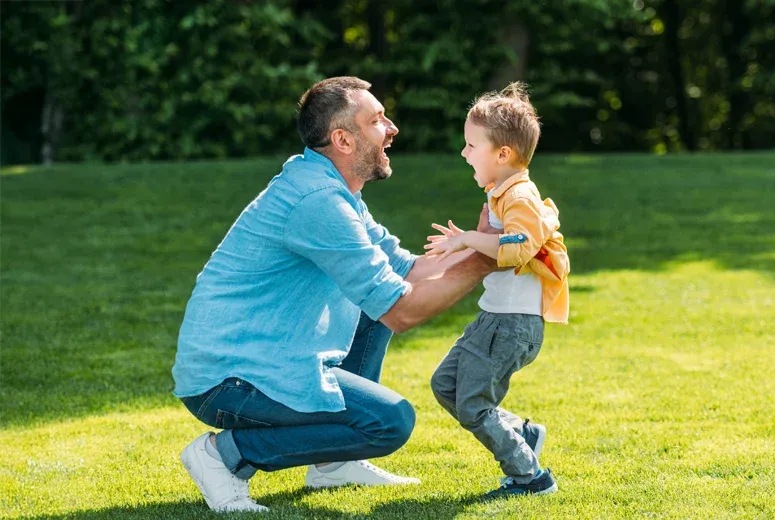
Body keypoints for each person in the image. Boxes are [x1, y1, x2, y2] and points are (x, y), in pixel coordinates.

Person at [171, 76, 500, 512]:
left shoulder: (334, 190)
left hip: (264, 357)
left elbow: (407, 270)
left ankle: (333, 464)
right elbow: (402, 312)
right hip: (228, 380)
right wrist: (487, 262)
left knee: (372, 305)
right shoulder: (318, 200)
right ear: (343, 139)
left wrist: (483, 241)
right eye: (378, 120)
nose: (392, 127)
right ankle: (225, 455)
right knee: (389, 422)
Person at [425, 81, 570, 498]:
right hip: (496, 317)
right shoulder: (502, 193)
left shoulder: (520, 195)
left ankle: (530, 476)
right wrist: (468, 238)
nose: (464, 153)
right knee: (446, 385)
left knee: (471, 404)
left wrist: (470, 238)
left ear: (502, 154)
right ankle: (522, 432)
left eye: (472, 145)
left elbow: (520, 247)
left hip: (510, 323)